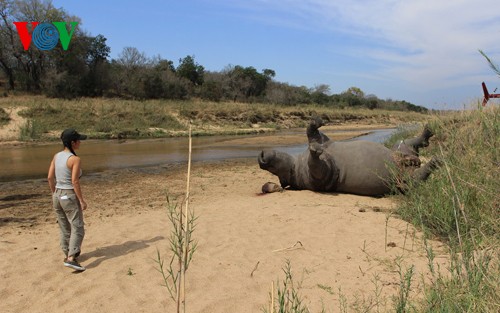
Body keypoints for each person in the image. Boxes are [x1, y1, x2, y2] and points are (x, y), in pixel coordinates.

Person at [47, 128, 88, 272]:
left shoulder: (56, 156)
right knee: (78, 227)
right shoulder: (75, 159)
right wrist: (82, 200)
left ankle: (68, 253)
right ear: (72, 142)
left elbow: (50, 177)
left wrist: (54, 193)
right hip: (68, 195)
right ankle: (71, 258)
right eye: (78, 141)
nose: (80, 143)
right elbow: (75, 181)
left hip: (57, 194)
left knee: (64, 226)